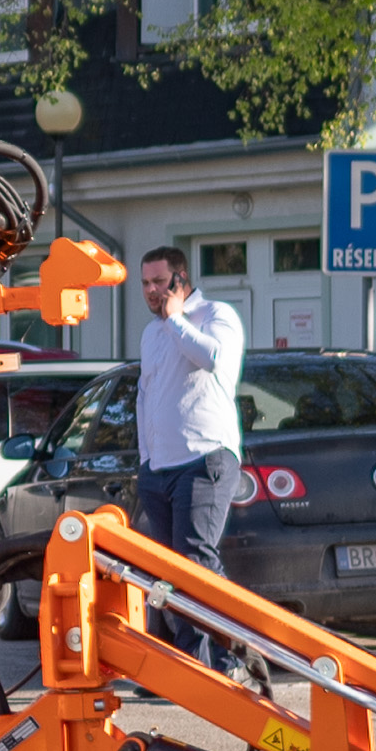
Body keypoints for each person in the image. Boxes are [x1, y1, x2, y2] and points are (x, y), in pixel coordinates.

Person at [133, 248, 246, 656]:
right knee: (169, 572)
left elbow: (213, 358)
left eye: (159, 282)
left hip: (204, 458)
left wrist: (176, 319)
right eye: (145, 283)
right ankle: (188, 663)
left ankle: (235, 655)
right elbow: (145, 395)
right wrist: (146, 460)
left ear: (181, 280)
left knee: (195, 562)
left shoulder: (216, 315)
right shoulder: (151, 334)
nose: (151, 291)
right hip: (159, 468)